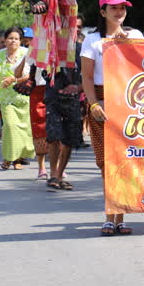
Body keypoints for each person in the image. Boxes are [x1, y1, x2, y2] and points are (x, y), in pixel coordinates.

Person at [82, 0, 143, 235]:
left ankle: (120, 216)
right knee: (105, 163)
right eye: (114, 7)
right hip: (103, 104)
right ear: (102, 11)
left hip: (129, 104)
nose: (119, 11)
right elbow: (86, 76)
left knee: (125, 162)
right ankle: (110, 215)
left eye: (122, 7)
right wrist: (94, 104)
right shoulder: (92, 40)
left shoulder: (135, 35)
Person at [0, 28, 33, 169]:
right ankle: (8, 158)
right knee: (10, 127)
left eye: (16, 39)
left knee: (23, 129)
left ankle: (18, 158)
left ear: (21, 41)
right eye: (10, 38)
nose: (13, 41)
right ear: (5, 40)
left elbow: (31, 75)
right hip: (6, 98)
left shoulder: (27, 53)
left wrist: (14, 80)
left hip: (23, 97)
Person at [43, 46, 84, 190]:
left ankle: (59, 175)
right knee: (54, 135)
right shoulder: (48, 45)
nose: (75, 29)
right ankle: (53, 174)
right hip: (53, 97)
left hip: (73, 99)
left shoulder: (82, 48)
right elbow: (36, 65)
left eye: (78, 26)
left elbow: (92, 72)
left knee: (70, 138)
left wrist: (80, 87)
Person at [18, 52, 49, 179]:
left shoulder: (63, 44)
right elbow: (18, 73)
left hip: (56, 89)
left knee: (59, 128)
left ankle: (58, 167)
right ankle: (42, 167)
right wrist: (26, 57)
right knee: (39, 128)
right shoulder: (34, 48)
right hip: (38, 90)